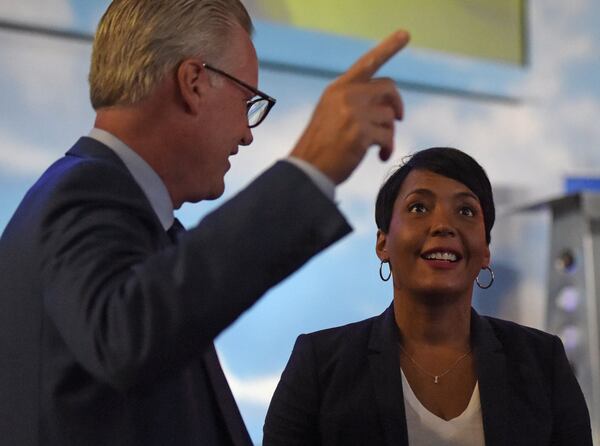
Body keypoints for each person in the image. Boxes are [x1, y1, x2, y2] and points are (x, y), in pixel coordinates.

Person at [0, 0, 410, 445]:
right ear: (193, 82)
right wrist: (310, 169)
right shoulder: (83, 192)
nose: (247, 132)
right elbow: (126, 336)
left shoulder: (117, 211)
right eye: (246, 100)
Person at [263, 147, 592, 446]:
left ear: (486, 250)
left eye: (465, 211)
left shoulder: (542, 362)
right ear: (383, 243)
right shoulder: (319, 364)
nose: (442, 225)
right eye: (419, 207)